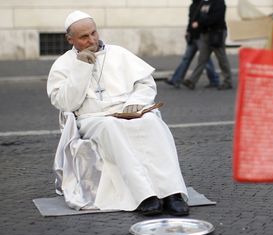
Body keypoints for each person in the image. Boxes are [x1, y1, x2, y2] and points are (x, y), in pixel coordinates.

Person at [47, 10, 189, 216]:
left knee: (152, 123)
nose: (92, 40)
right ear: (70, 39)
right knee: (111, 128)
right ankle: (144, 195)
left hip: (128, 110)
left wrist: (135, 103)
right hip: (94, 118)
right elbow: (66, 103)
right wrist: (81, 67)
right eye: (84, 37)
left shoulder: (118, 53)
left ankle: (172, 193)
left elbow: (145, 83)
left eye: (93, 33)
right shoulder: (63, 64)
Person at [166, 0, 220, 89]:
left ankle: (214, 79)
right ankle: (176, 79)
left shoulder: (204, 5)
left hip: (201, 36)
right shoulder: (192, 5)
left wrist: (199, 24)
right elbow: (190, 20)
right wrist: (188, 31)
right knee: (187, 59)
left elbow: (206, 19)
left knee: (205, 60)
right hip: (193, 36)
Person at [183, 0, 233, 90]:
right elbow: (197, 15)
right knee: (202, 59)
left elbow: (216, 18)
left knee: (221, 58)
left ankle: (228, 81)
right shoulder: (204, 2)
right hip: (205, 34)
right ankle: (192, 81)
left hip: (217, 33)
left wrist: (200, 22)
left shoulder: (219, 2)